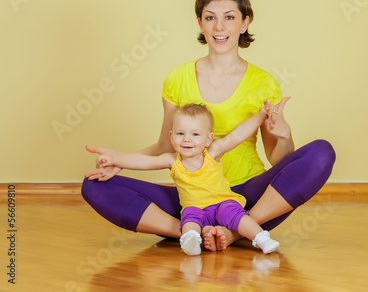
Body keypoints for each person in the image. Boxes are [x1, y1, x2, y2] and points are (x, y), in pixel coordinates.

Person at [82, 0, 336, 251]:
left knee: (322, 152)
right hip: (191, 199)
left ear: (245, 23)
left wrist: (284, 134)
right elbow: (166, 147)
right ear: (200, 24)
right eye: (210, 17)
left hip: (247, 197)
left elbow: (280, 161)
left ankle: (238, 230)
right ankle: (189, 231)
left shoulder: (264, 83)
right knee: (93, 186)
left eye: (229, 17)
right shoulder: (177, 79)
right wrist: (121, 160)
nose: (219, 27)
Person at [88, 103, 281, 255]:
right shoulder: (172, 160)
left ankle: (261, 238)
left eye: (195, 134)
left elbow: (238, 134)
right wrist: (115, 159)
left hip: (222, 203)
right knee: (189, 219)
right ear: (172, 137)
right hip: (195, 210)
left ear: (208, 139)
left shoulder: (212, 153)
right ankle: (191, 241)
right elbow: (143, 161)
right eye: (181, 134)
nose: (187, 139)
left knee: (237, 215)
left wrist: (261, 115)